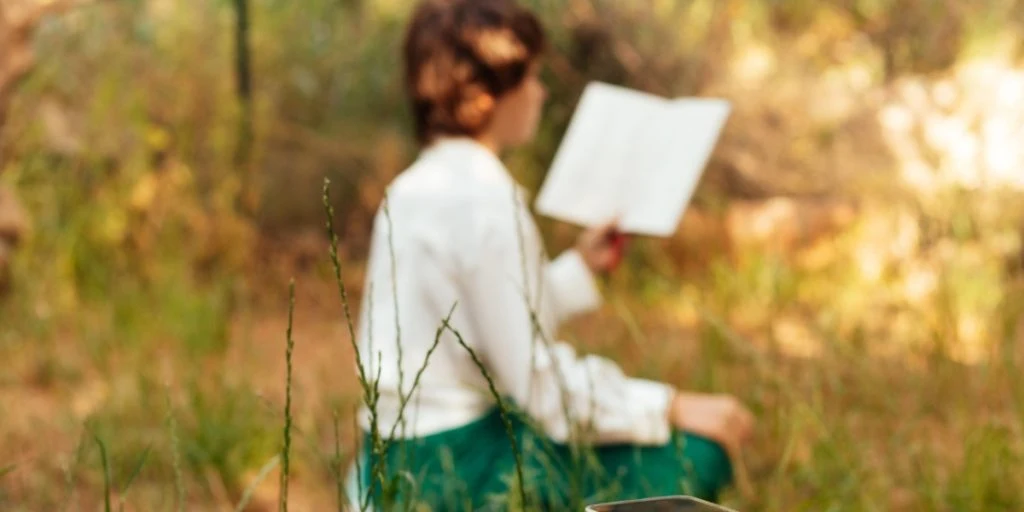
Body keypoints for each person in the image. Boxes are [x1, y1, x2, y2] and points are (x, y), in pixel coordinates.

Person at [350, 0, 755, 509]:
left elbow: (478, 322)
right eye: (531, 79)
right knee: (699, 454)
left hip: (389, 460)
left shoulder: (409, 189)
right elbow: (540, 387)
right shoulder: (486, 199)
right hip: (459, 468)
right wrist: (673, 406)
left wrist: (580, 269)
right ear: (486, 95)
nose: (539, 93)